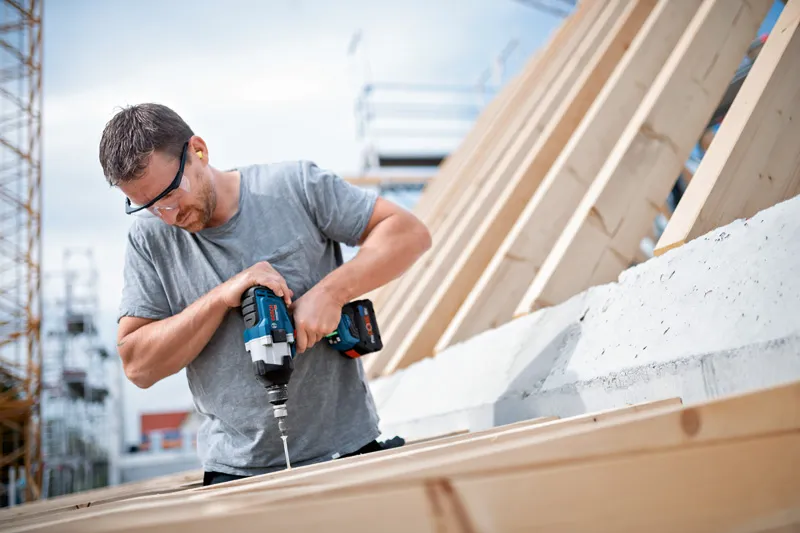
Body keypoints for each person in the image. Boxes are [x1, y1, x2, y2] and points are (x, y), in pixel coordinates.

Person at [99, 103, 431, 485]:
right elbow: (138, 365)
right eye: (149, 206)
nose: (169, 216)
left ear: (199, 152)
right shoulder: (149, 238)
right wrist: (222, 296)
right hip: (234, 474)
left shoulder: (295, 186)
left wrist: (331, 292)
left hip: (350, 453)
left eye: (172, 194)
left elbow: (408, 232)